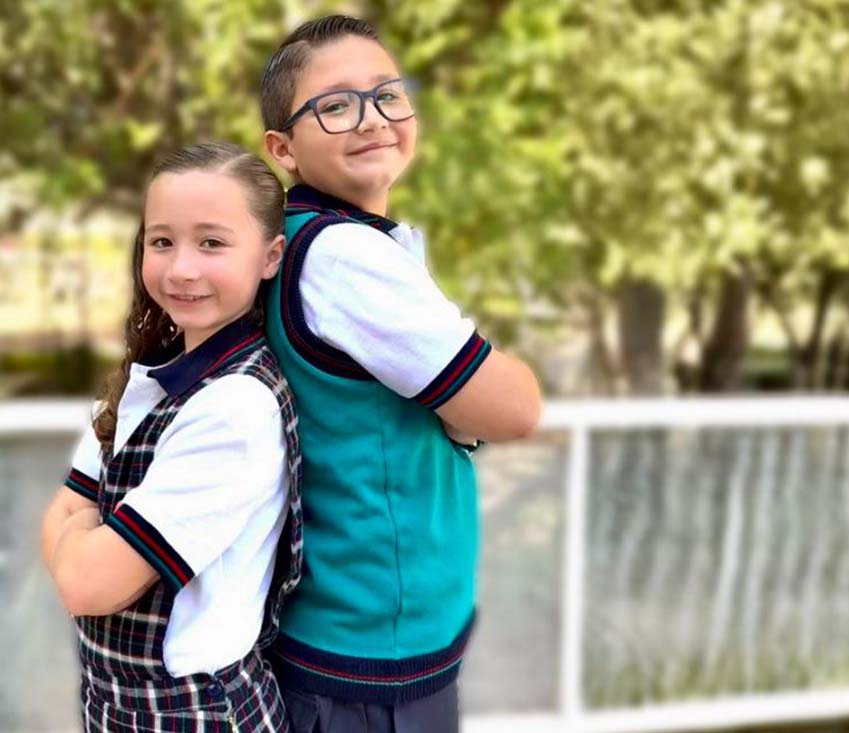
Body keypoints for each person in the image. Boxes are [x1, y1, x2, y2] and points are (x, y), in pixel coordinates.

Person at [257, 16, 543, 733]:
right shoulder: (345, 259)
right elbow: (514, 408)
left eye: (388, 94)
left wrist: (462, 402)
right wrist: (475, 397)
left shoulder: (310, 241)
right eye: (336, 105)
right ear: (283, 149)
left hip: (358, 635)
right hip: (368, 656)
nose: (372, 118)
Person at [39, 142, 303, 733]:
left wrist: (83, 530)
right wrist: (82, 539)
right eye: (162, 242)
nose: (181, 268)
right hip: (119, 707)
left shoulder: (234, 407)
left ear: (270, 256)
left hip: (195, 713)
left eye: (211, 243)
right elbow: (60, 518)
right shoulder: (152, 377)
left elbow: (86, 582)